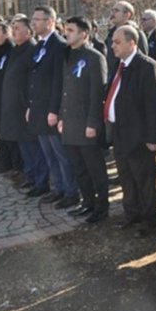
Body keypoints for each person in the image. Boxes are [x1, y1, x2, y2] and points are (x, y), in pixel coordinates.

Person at [106, 25, 156, 237]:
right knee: (126, 177)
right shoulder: (119, 65)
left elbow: (155, 106)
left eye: (117, 42)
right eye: (113, 42)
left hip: (140, 136)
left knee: (144, 180)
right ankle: (132, 214)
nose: (113, 46)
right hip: (119, 132)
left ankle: (150, 219)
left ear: (132, 43)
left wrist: (153, 138)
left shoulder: (147, 67)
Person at [57, 16, 109, 222]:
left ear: (84, 34)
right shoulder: (68, 55)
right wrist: (61, 116)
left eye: (70, 30)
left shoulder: (94, 57)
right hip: (70, 122)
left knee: (95, 169)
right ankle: (87, 202)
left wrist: (93, 123)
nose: (65, 33)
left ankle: (102, 208)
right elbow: (65, 90)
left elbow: (97, 94)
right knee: (79, 168)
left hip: (86, 124)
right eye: (65, 30)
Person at [27, 6, 79, 208]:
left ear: (50, 22)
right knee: (48, 154)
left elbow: (59, 81)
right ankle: (57, 188)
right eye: (33, 19)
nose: (33, 23)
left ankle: (71, 191)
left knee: (61, 154)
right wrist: (31, 105)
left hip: (51, 110)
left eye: (37, 19)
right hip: (39, 108)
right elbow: (35, 77)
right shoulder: (40, 45)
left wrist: (54, 111)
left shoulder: (58, 45)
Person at [1, 16, 48, 195]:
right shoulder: (16, 49)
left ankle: (41, 181)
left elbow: (32, 80)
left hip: (26, 108)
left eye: (18, 28)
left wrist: (28, 104)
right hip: (14, 109)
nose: (14, 31)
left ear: (29, 32)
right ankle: (31, 177)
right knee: (25, 147)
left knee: (34, 147)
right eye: (13, 27)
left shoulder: (32, 50)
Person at [0, 20, 18, 174]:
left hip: (7, 101)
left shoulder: (10, 50)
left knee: (9, 137)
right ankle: (4, 163)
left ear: (7, 34)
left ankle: (14, 166)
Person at [104, 1, 149, 83]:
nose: (112, 13)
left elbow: (143, 59)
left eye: (116, 10)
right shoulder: (110, 35)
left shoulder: (137, 34)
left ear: (127, 15)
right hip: (113, 79)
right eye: (112, 10)